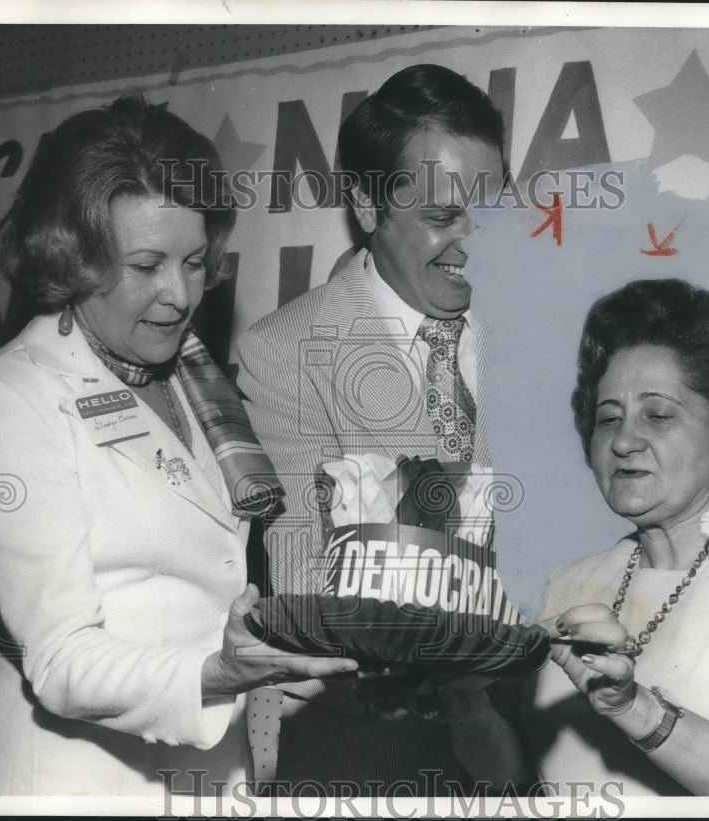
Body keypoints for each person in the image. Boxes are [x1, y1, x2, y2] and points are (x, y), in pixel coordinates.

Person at [0, 95, 357, 797]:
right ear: (71, 257)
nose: (179, 295)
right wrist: (215, 675)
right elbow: (63, 660)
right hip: (76, 776)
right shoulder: (13, 397)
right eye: (146, 265)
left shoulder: (194, 379)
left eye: (195, 261)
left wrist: (264, 670)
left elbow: (206, 578)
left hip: (206, 764)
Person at [453, 278, 709, 795]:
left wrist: (633, 706)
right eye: (608, 419)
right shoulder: (571, 583)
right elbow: (526, 784)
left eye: (659, 415)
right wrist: (466, 709)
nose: (623, 440)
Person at [235, 64, 507, 792]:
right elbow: (310, 584)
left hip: (541, 736)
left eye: (492, 210)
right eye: (443, 218)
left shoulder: (546, 317)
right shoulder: (283, 348)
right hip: (372, 754)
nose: (474, 241)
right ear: (364, 204)